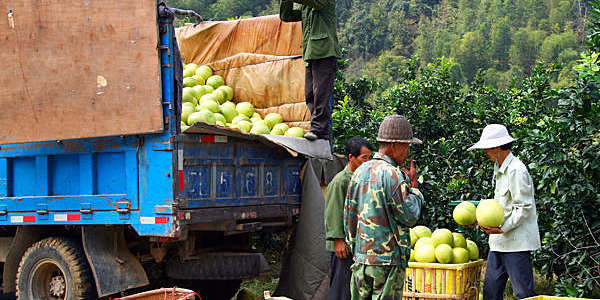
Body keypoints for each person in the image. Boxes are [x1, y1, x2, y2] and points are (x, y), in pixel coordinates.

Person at [344, 115, 425, 300]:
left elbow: (348, 217)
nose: (408, 150)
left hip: (361, 260)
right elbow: (409, 216)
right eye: (406, 145)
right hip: (387, 262)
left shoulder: (359, 171)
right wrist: (415, 190)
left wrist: (357, 249)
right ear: (394, 145)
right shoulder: (393, 175)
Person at [468, 124, 541, 300]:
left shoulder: (516, 170)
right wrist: (480, 219)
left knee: (523, 293)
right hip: (499, 242)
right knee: (491, 292)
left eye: (487, 149)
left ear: (498, 147)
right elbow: (500, 207)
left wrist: (503, 228)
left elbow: (523, 207)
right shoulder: (500, 168)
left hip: (516, 243)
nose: (486, 153)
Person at [279, 0, 341, 141]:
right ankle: (320, 130)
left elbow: (316, 3)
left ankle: (319, 129)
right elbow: (286, 16)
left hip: (325, 52)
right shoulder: (306, 7)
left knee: (321, 94)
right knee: (310, 94)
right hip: (310, 53)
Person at [325, 136, 373, 300]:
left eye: (370, 158)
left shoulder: (362, 179)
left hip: (356, 245)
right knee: (340, 289)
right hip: (343, 246)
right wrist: (338, 240)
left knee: (352, 288)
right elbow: (333, 212)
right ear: (351, 157)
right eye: (363, 158)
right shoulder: (340, 182)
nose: (367, 162)